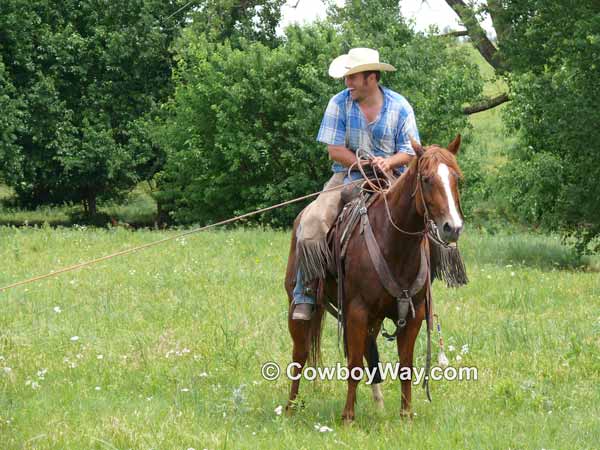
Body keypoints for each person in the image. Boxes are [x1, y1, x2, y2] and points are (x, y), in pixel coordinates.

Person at [292, 47, 421, 320]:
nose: (347, 83)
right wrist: (361, 164)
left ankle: (425, 297)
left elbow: (409, 151)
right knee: (312, 222)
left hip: (391, 179)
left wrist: (389, 162)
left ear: (371, 78)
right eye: (347, 78)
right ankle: (304, 292)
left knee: (430, 222)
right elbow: (335, 150)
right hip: (345, 175)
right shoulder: (338, 103)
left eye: (353, 77)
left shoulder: (400, 105)